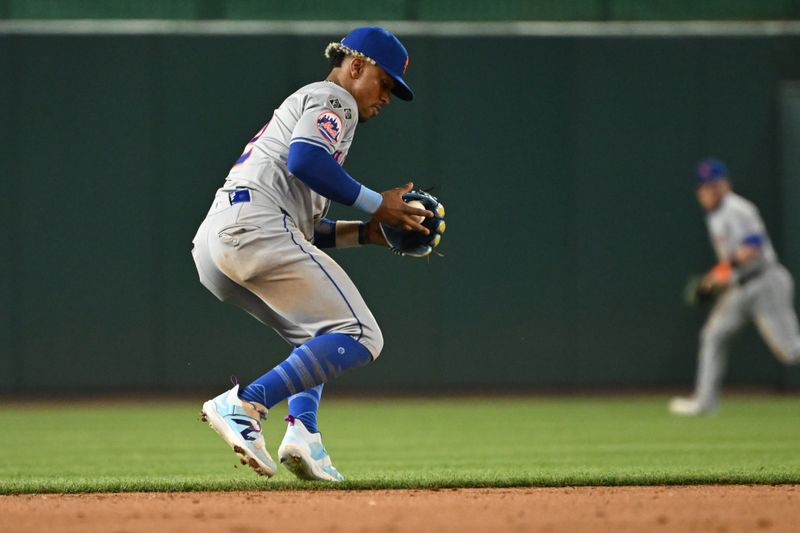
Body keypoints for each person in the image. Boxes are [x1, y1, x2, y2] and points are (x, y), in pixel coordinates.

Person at [192, 26, 432, 481]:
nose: (386, 98)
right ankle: (246, 402)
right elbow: (305, 160)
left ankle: (304, 432)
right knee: (362, 335)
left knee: (316, 335)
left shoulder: (315, 110)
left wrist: (367, 233)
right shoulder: (333, 98)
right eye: (385, 83)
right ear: (356, 65)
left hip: (217, 243)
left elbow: (305, 229)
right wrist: (377, 204)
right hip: (256, 228)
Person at [669, 158, 800, 416]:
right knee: (713, 335)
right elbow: (732, 264)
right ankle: (705, 403)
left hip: (765, 282)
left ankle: (705, 402)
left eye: (715, 185)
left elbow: (752, 248)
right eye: (705, 187)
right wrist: (714, 281)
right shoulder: (715, 216)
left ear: (726, 184)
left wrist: (716, 275)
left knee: (791, 351)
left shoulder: (738, 208)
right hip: (741, 287)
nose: (710, 191)